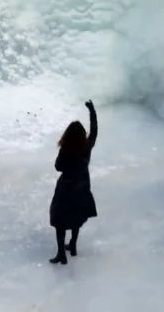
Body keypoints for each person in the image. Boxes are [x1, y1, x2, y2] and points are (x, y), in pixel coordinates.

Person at [48, 99, 97, 263]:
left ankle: (61, 253)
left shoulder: (66, 150)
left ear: (67, 135)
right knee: (77, 217)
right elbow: (95, 131)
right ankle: (73, 245)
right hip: (82, 187)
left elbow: (58, 167)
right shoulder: (87, 146)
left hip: (66, 190)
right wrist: (92, 111)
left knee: (60, 221)